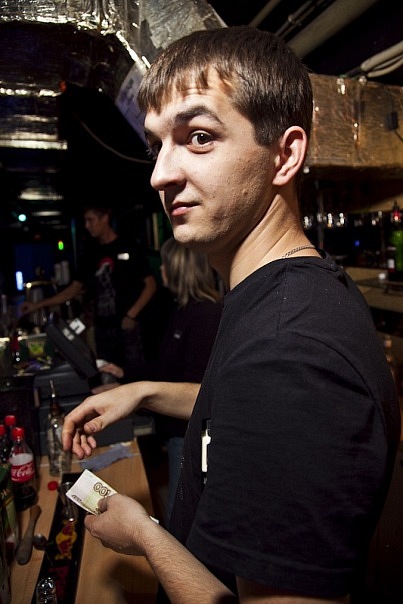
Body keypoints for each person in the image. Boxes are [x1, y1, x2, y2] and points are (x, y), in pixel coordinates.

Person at [62, 26, 401, 603]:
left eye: (198, 137)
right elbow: (249, 407)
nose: (159, 175)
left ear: (284, 155)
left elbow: (276, 390)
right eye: (157, 146)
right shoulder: (283, 297)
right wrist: (145, 393)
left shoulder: (289, 348)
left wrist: (144, 533)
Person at [20, 205, 157, 381]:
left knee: (134, 376)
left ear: (105, 218)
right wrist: (37, 305)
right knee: (107, 375)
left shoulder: (128, 246)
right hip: (103, 329)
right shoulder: (91, 252)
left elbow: (150, 285)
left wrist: (131, 315)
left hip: (128, 328)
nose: (87, 225)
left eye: (90, 220)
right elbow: (74, 289)